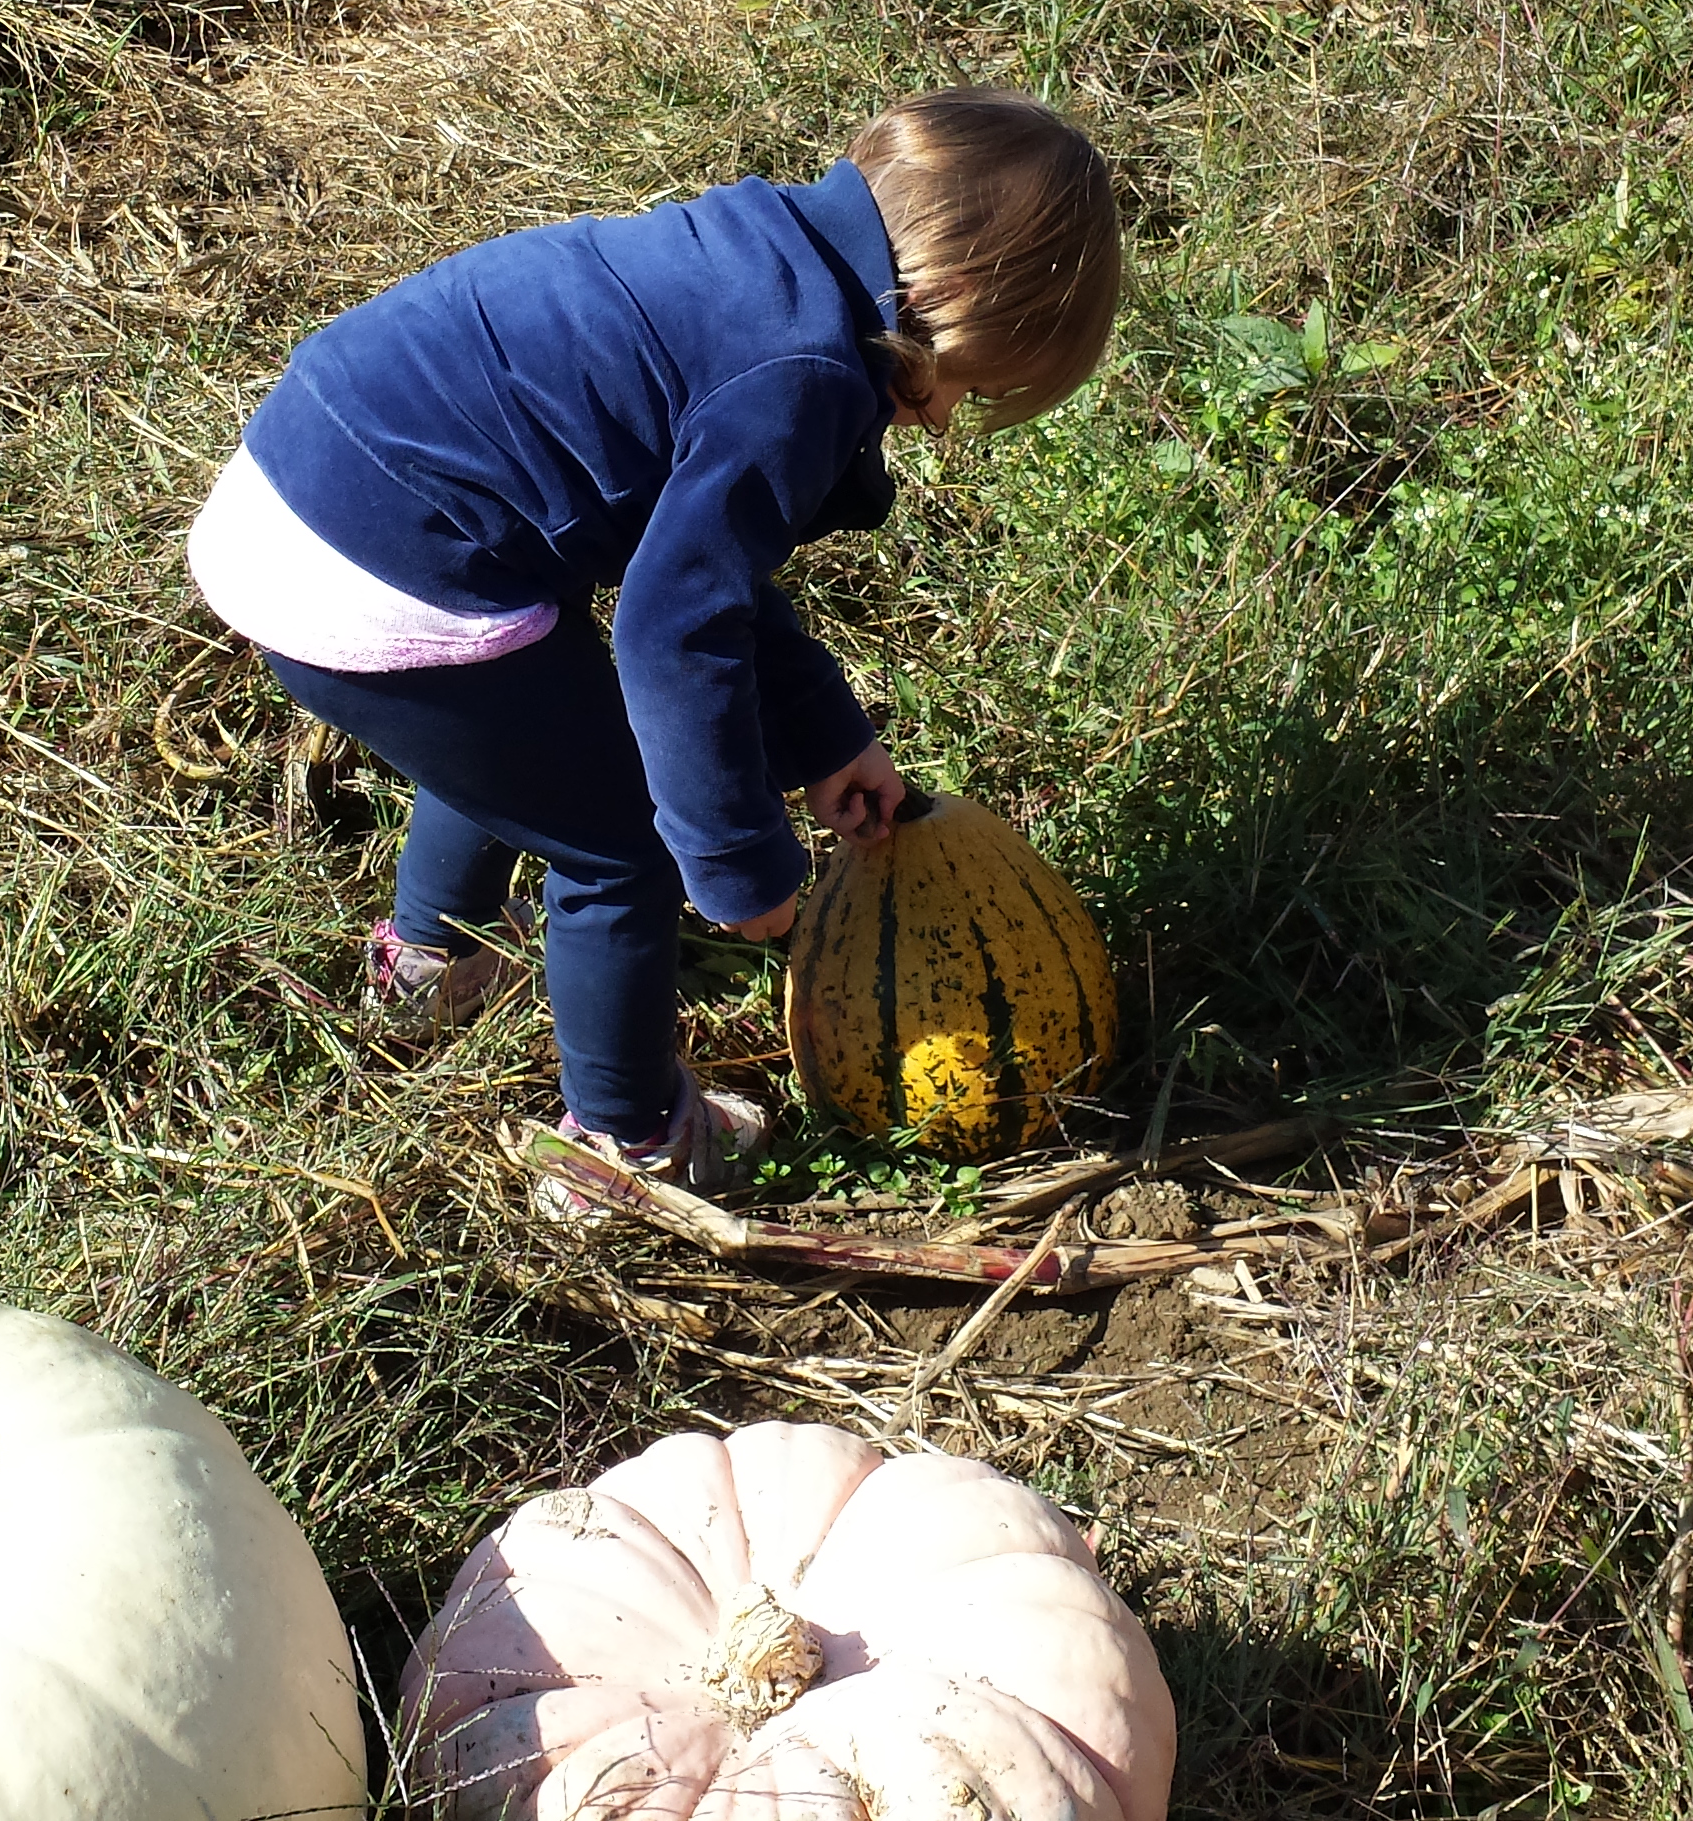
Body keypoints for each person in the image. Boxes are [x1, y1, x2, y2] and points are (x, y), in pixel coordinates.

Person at [182, 86, 1123, 1209]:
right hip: (387, 561)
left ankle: (432, 965)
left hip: (306, 486)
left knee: (515, 732)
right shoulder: (804, 378)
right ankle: (622, 1144)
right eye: (972, 383)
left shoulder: (759, 259)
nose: (946, 418)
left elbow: (701, 571)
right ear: (954, 296)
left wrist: (827, 737)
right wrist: (734, 862)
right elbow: (676, 628)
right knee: (619, 845)